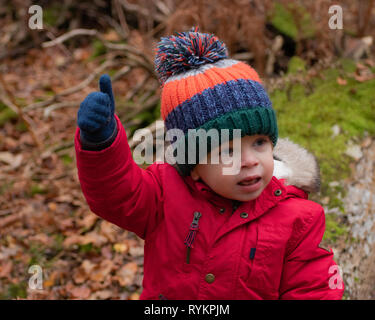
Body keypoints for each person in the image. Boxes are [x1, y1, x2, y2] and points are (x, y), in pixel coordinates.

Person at [75, 28, 344, 299]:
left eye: (259, 142)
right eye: (227, 151)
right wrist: (102, 141)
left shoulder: (297, 218)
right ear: (193, 164)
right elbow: (117, 195)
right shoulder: (164, 195)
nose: (249, 161)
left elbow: (314, 288)